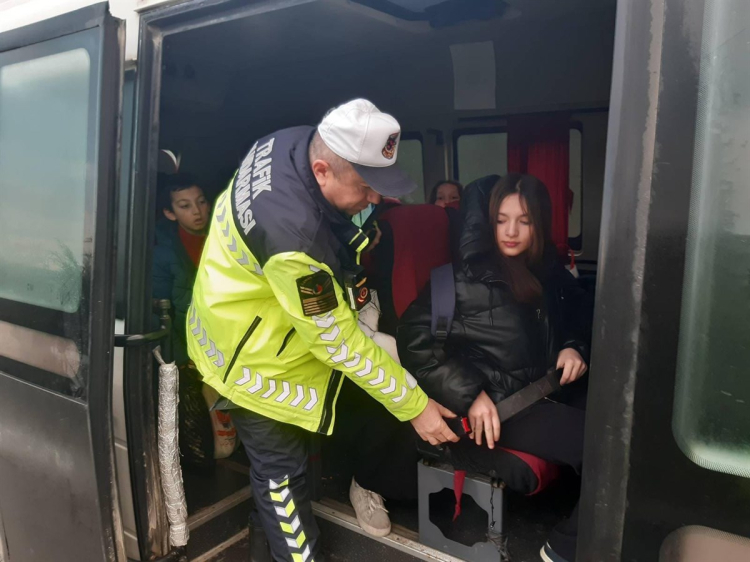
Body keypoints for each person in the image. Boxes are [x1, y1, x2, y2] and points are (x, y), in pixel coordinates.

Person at [187, 98, 458, 562]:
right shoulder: (296, 243)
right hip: (254, 367)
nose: (376, 200)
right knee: (286, 498)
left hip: (238, 319)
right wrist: (415, 407)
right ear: (322, 171)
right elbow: (338, 344)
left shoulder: (288, 142)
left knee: (274, 491)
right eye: (366, 187)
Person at [397, 174, 593, 562]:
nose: (511, 231)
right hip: (503, 409)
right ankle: (563, 549)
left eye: (524, 220)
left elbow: (578, 315)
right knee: (605, 446)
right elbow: (413, 343)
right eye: (502, 220)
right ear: (488, 222)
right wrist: (470, 395)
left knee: (622, 423)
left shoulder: (548, 272)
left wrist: (574, 346)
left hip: (546, 390)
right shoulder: (457, 282)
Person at [153, 173, 239, 468]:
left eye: (201, 202)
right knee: (213, 425)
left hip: (234, 339)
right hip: (194, 348)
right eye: (185, 206)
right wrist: (181, 358)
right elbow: (159, 311)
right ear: (170, 213)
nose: (198, 211)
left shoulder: (226, 236)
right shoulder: (163, 253)